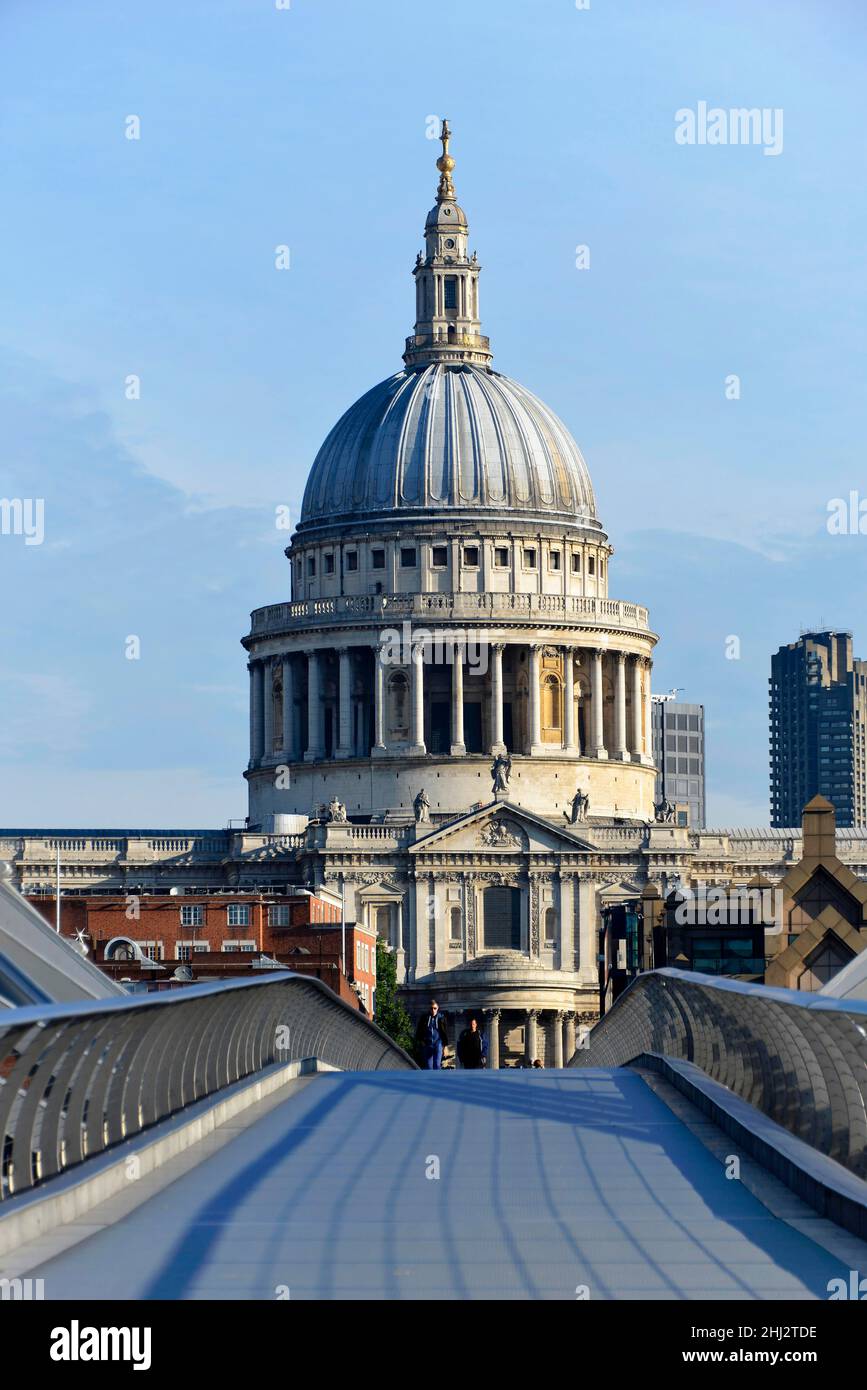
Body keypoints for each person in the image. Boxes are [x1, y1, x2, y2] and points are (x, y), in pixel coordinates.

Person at [416, 1000, 448, 1069]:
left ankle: (437, 1079)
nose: (433, 1010)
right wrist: (421, 1041)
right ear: (429, 1009)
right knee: (429, 1066)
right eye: (431, 1008)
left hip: (438, 1043)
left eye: (435, 1008)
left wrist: (445, 1047)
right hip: (428, 1044)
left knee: (437, 1064)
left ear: (438, 1008)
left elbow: (444, 1032)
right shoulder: (425, 1018)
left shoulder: (441, 1018)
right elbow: (419, 1030)